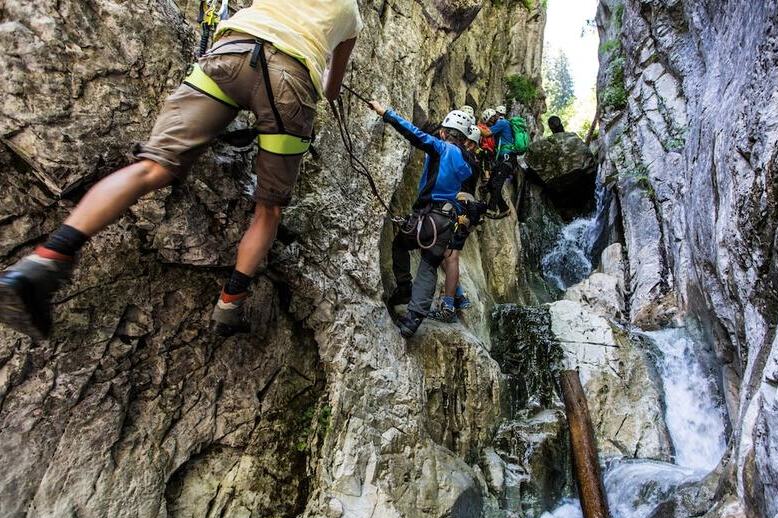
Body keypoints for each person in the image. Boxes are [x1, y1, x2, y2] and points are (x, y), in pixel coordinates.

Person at [0, 0, 363, 339]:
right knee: (268, 208)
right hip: (291, 84)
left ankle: (44, 261)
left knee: (153, 167)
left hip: (230, 54)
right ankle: (228, 306)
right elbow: (331, 90)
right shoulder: (351, 12)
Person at [370, 102, 473, 338]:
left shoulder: (441, 148)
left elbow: (414, 135)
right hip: (447, 222)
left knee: (400, 245)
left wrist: (387, 113)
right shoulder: (467, 163)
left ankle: (405, 287)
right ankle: (412, 320)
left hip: (427, 216)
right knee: (429, 265)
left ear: (445, 133)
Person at [429, 125, 487, 323]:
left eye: (465, 141)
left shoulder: (463, 156)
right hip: (469, 209)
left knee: (450, 256)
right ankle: (458, 295)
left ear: (469, 142)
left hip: (460, 207)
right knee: (444, 253)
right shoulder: (475, 161)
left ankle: (448, 306)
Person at [479, 106, 515, 218]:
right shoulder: (504, 124)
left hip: (507, 157)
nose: (491, 122)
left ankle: (491, 208)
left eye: (492, 118)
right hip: (503, 158)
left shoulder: (501, 123)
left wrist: (473, 126)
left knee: (496, 183)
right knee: (491, 185)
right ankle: (504, 209)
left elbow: (486, 133)